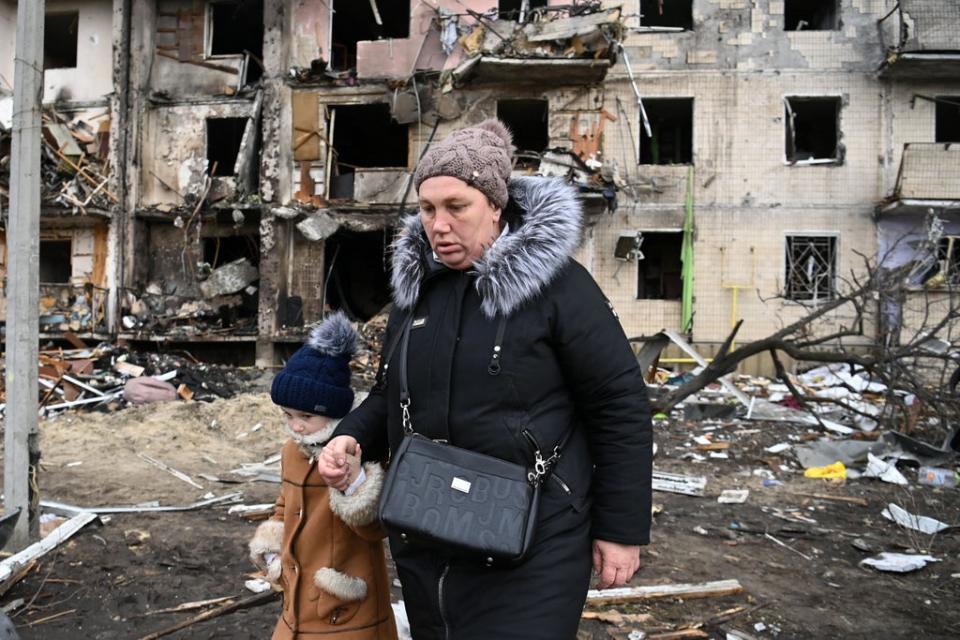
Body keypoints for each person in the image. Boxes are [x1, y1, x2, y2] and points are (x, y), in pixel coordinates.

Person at [318, 120, 653, 639]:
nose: (439, 225)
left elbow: (619, 405)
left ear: (495, 205)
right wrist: (351, 436)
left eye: (457, 207)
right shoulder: (417, 293)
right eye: (428, 209)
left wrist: (621, 530)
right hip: (429, 529)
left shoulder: (559, 288)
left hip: (536, 537)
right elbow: (391, 393)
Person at [249, 312, 398, 640]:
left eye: (306, 416)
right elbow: (284, 503)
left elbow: (376, 529)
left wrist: (354, 485)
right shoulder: (293, 450)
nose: (296, 425)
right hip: (296, 597)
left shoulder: (358, 449)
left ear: (335, 411)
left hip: (343, 605)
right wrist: (274, 550)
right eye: (287, 415)